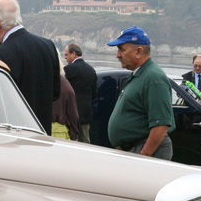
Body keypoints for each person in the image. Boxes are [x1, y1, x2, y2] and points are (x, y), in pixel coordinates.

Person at [0, 0, 61, 133]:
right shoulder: (48, 46)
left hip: (15, 135)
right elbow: (56, 92)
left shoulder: (1, 55)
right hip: (42, 131)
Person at [105, 26, 175, 160]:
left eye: (121, 49)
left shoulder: (154, 78)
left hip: (144, 151)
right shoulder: (142, 75)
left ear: (138, 51)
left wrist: (144, 156)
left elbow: (161, 124)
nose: (118, 55)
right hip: (134, 149)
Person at [63, 42, 98, 143]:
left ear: (73, 54)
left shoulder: (69, 69)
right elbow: (94, 94)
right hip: (86, 113)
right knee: (85, 141)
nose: (65, 58)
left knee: (72, 142)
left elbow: (65, 91)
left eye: (66, 54)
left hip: (72, 113)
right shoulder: (91, 70)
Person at [52, 74, 81, 140]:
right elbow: (72, 114)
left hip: (37, 130)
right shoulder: (64, 84)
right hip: (60, 131)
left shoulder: (38, 80)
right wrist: (74, 133)